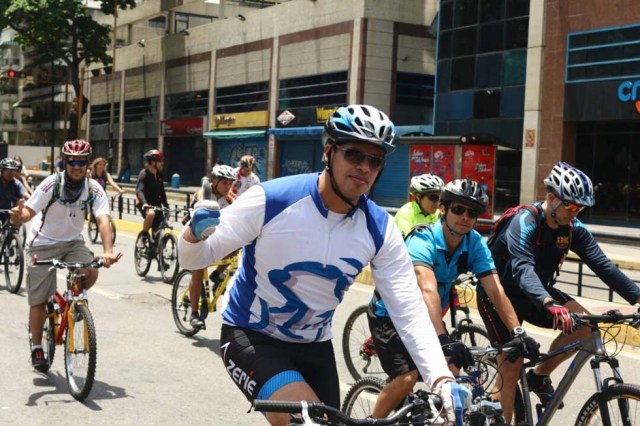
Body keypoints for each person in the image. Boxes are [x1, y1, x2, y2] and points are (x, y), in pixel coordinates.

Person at [179, 105, 463, 426]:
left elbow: (408, 310)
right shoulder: (271, 200)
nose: (364, 167)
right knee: (311, 422)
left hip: (315, 347)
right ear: (329, 151)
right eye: (354, 154)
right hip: (252, 336)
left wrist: (442, 380)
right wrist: (192, 233)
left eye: (375, 159)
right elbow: (194, 258)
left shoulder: (380, 228)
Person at [478, 161, 640, 423]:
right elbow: (523, 269)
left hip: (538, 295)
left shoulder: (573, 228)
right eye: (571, 206)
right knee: (510, 369)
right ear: (551, 197)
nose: (575, 213)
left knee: (585, 327)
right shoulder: (525, 221)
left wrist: (637, 297)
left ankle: (539, 375)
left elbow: (603, 266)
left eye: (581, 208)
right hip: (499, 295)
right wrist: (549, 302)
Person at [368, 178, 540, 419]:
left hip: (427, 315)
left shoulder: (475, 244)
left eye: (473, 212)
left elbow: (496, 291)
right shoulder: (422, 239)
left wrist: (518, 332)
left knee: (453, 383)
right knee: (406, 378)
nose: (465, 217)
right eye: (458, 209)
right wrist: (442, 338)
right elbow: (427, 288)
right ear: (443, 209)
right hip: (391, 314)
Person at [9, 139, 120, 370]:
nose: (76, 166)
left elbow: (103, 219)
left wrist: (108, 251)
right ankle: (37, 346)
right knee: (39, 300)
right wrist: (20, 216)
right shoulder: (52, 184)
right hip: (42, 244)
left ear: (88, 163)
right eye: (72, 161)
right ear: (65, 161)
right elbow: (30, 210)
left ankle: (73, 303)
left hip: (72, 243)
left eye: (81, 161)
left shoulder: (94, 188)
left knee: (90, 271)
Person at [187, 164, 236, 330]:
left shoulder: (228, 197)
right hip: (197, 235)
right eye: (225, 183)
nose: (228, 187)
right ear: (214, 181)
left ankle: (217, 274)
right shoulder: (204, 193)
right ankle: (194, 313)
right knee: (198, 270)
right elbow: (202, 210)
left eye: (231, 184)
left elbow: (240, 210)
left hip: (215, 235)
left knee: (237, 246)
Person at [135, 149, 169, 239]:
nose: (162, 163)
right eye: (160, 161)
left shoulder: (159, 174)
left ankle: (156, 247)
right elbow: (139, 191)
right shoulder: (144, 174)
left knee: (158, 228)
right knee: (151, 214)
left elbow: (162, 192)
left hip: (156, 204)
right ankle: (144, 236)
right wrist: (145, 203)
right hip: (143, 203)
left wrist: (166, 207)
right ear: (153, 162)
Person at [0, 158, 29, 223]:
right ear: (2, 170)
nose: (11, 173)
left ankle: (15, 226)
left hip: (10, 211)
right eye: (8, 170)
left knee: (20, 201)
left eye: (13, 170)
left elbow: (25, 194)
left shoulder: (16, 183)